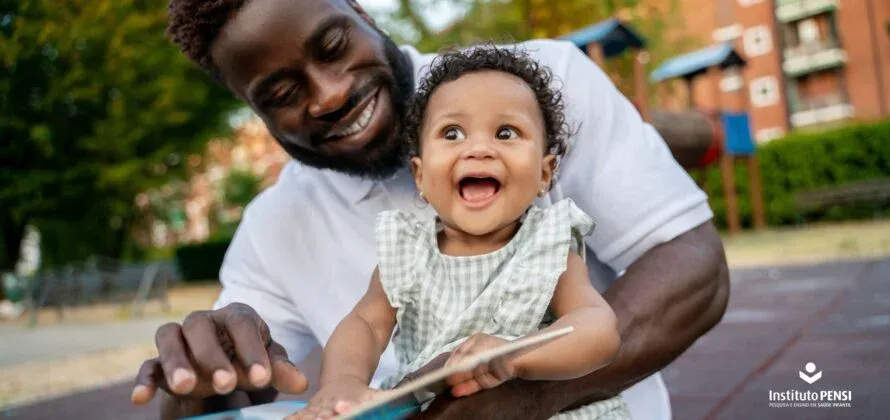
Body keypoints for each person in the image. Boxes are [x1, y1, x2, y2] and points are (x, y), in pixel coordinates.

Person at [130, 0, 731, 418]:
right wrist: (201, 382)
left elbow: (689, 267)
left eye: (334, 45)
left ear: (365, 17)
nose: (330, 94)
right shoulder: (282, 229)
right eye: (281, 94)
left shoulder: (537, 95)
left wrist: (515, 387)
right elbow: (354, 331)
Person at [288, 46, 631, 420]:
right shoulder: (407, 252)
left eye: (506, 132)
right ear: (420, 176)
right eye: (452, 133)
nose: (479, 149)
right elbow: (365, 325)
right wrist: (343, 383)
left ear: (544, 174)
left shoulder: (547, 246)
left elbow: (598, 329)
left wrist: (517, 355)